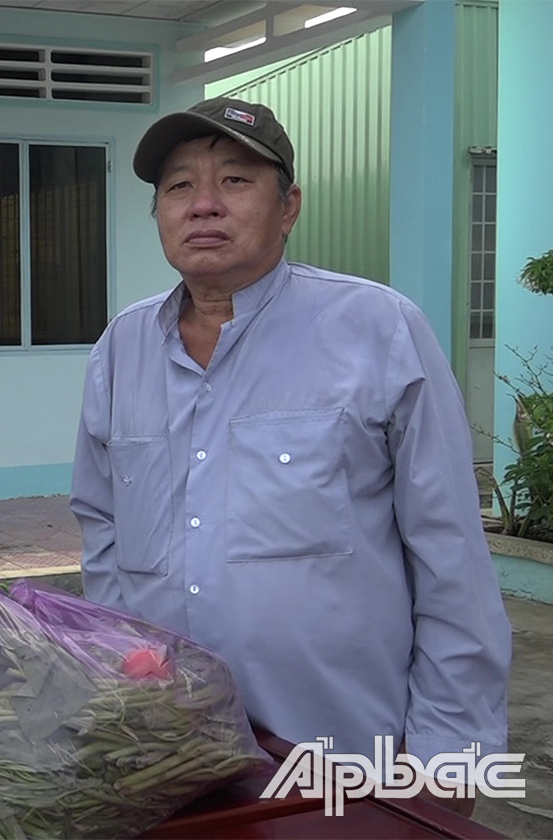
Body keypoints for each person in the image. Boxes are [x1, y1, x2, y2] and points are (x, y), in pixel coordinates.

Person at [69, 97, 511, 814]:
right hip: (170, 755)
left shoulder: (378, 329)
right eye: (179, 186)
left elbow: (451, 555)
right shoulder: (121, 349)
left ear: (289, 206)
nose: (203, 205)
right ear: (157, 213)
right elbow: (103, 530)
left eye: (236, 181)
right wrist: (126, 688)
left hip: (342, 761)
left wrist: (451, 756)